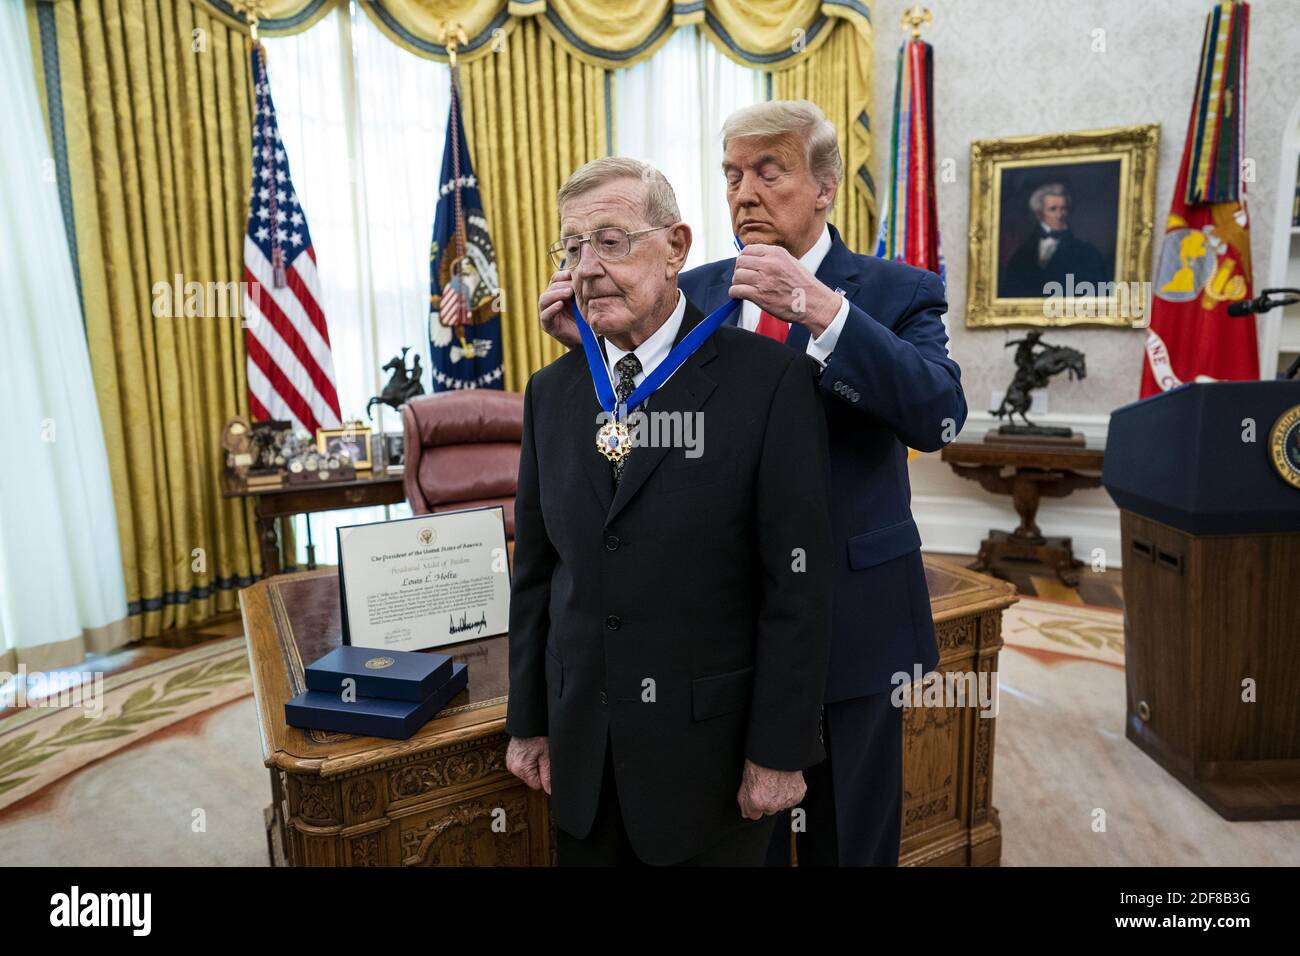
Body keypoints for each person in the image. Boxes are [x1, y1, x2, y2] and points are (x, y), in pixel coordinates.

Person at [539, 100, 967, 866]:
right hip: (724, 649)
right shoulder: (693, 286)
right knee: (747, 839)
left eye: (770, 172)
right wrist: (600, 357)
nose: (745, 192)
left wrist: (826, 314)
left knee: (848, 841)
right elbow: (640, 452)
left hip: (851, 625)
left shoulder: (896, 291)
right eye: (733, 174)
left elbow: (938, 418)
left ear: (826, 185)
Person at [506, 156, 834, 866]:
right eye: (571, 247)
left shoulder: (772, 381)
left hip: (712, 768)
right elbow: (536, 572)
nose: (586, 267)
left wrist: (779, 753)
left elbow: (797, 589)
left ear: (677, 247)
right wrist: (529, 722)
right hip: (583, 760)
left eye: (612, 241)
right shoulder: (552, 393)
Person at [1001, 182, 1109, 297]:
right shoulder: (1022, 253)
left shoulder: (1086, 252)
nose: (1060, 215)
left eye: (1063, 209)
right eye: (1053, 209)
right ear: (1039, 214)